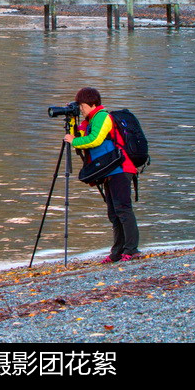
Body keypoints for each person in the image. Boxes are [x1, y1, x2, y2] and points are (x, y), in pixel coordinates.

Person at [63, 87, 140, 263]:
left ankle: (131, 249)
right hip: (109, 170)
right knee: (114, 213)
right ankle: (117, 252)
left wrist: (74, 141)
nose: (81, 109)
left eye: (82, 106)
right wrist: (73, 121)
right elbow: (79, 137)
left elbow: (95, 140)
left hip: (121, 169)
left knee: (123, 210)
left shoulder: (102, 117)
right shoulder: (90, 120)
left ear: (92, 104)